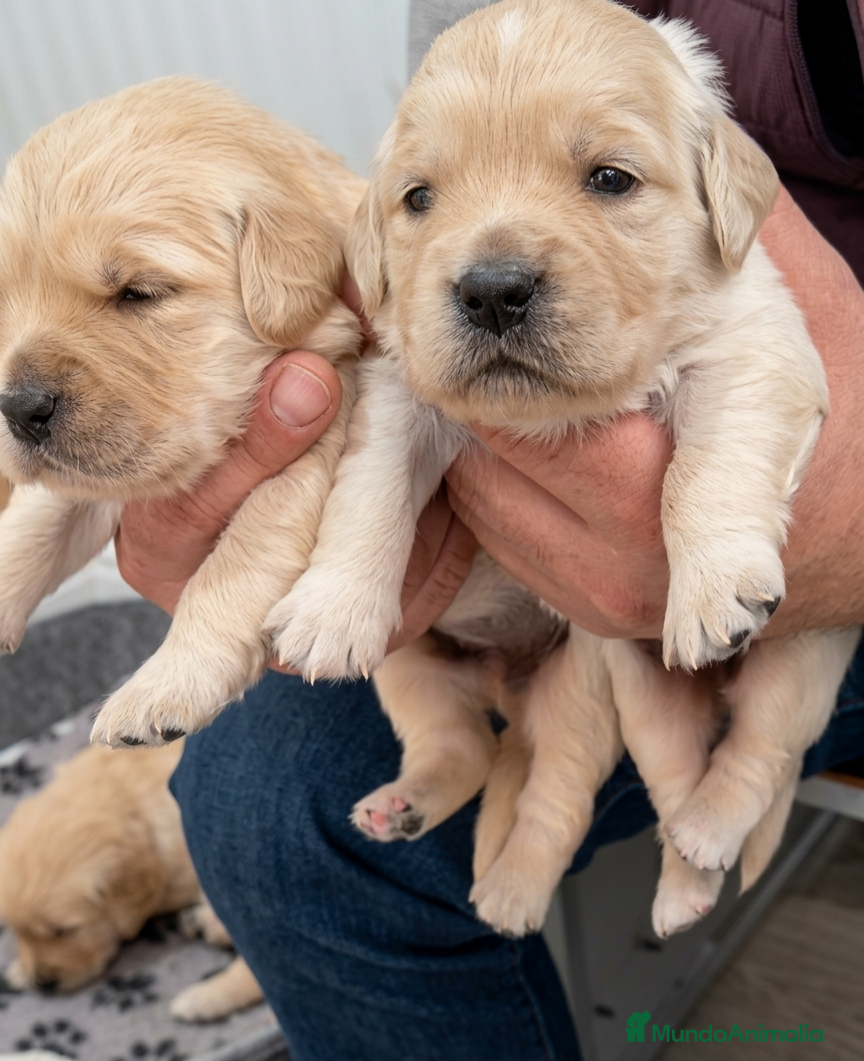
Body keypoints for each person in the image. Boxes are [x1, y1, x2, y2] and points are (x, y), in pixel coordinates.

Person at [115, 3, 864, 1058]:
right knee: (263, 799)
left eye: (607, 179)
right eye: (424, 199)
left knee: (647, 728)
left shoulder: (715, 228)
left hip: (808, 519)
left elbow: (749, 365)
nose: (492, 265)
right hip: (514, 587)